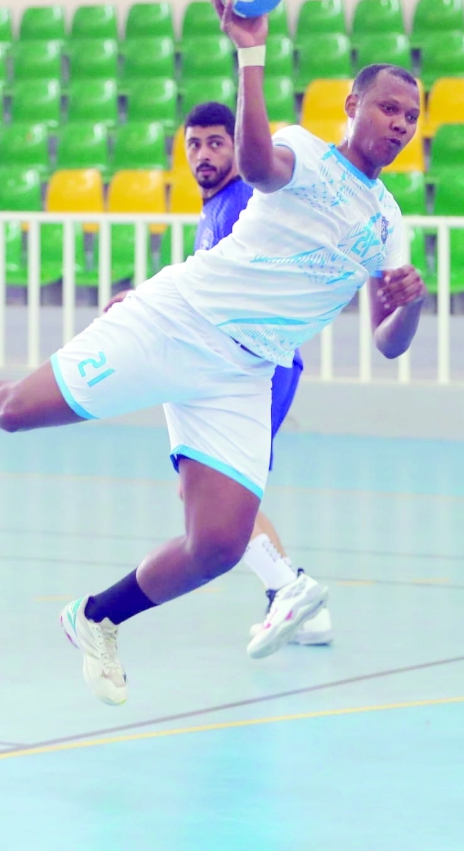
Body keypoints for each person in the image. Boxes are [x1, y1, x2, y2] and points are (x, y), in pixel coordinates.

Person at [0, 0, 427, 707]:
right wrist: (251, 54)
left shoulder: (390, 222)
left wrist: (410, 309)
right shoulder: (304, 153)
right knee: (18, 410)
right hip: (178, 319)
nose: (398, 122)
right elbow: (254, 160)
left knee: (216, 543)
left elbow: (390, 343)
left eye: (410, 115)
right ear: (353, 108)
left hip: (245, 374)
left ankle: (96, 617)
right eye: (387, 107)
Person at [178, 100, 331, 650]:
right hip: (251, 364)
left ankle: (293, 591)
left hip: (259, 364)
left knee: (218, 497)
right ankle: (294, 603)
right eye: (194, 144)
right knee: (221, 494)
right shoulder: (216, 208)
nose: (203, 154)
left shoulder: (241, 201)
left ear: (237, 147)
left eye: (216, 142)